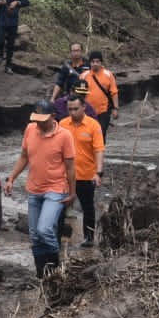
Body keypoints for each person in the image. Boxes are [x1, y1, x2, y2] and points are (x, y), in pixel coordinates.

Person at [3, 100, 75, 277]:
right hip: (34, 188)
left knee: (44, 230)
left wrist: (72, 193)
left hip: (56, 188)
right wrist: (11, 178)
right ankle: (41, 275)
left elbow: (71, 166)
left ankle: (55, 268)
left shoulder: (64, 135)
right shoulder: (30, 130)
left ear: (53, 116)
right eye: (36, 119)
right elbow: (24, 156)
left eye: (43, 119)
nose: (39, 123)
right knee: (35, 235)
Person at [63, 94, 106, 248]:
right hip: (65, 175)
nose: (72, 112)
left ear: (83, 108)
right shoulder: (62, 124)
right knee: (60, 206)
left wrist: (98, 172)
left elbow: (99, 149)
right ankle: (60, 235)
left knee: (87, 207)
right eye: (69, 109)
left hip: (86, 174)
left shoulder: (93, 125)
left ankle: (89, 237)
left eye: (75, 109)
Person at [83, 50, 118, 139]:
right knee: (88, 135)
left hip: (103, 111)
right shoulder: (84, 75)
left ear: (101, 62)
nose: (95, 64)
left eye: (97, 61)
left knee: (101, 134)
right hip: (87, 111)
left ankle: (100, 152)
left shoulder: (108, 75)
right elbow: (79, 94)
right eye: (93, 62)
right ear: (90, 63)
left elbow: (114, 93)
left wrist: (115, 109)